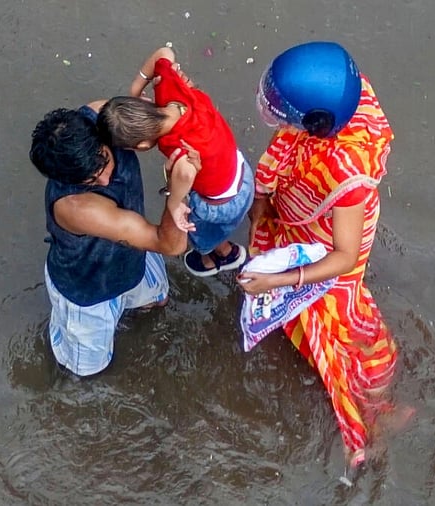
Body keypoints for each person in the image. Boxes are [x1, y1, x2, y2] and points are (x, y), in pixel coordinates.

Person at [237, 41, 400, 469]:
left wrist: (278, 280)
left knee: (342, 326)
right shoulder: (344, 97)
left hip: (333, 240)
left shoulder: (347, 175)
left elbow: (343, 258)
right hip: (308, 215)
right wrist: (263, 205)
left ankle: (375, 417)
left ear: (317, 122)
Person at [29, 105, 188, 377]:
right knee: (85, 371)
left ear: (101, 134)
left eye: (102, 161)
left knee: (157, 301)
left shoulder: (102, 114)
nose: (104, 180)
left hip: (131, 254)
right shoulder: (78, 208)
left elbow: (169, 114)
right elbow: (171, 245)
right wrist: (177, 191)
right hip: (88, 289)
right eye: (90, 180)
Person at [96, 46, 254, 277]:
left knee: (200, 231)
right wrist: (136, 88)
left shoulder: (181, 147)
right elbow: (163, 54)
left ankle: (217, 255)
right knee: (217, 226)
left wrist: (174, 202)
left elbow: (186, 173)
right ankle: (222, 247)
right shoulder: (169, 91)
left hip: (222, 202)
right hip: (239, 169)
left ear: (140, 146)